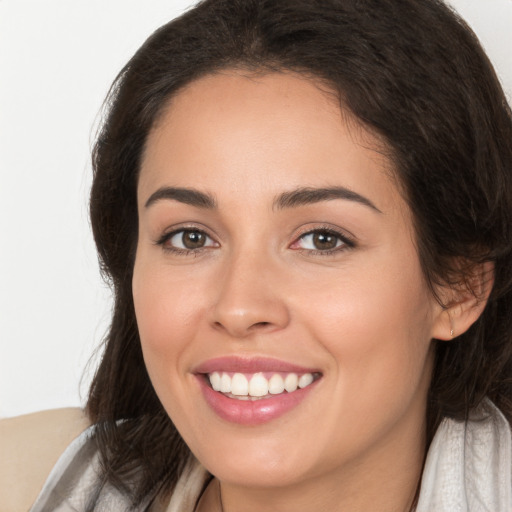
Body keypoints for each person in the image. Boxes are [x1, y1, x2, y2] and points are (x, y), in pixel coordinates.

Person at [11, 0, 512, 510]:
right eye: (190, 237)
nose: (239, 308)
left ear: (460, 284)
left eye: (322, 239)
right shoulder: (20, 480)